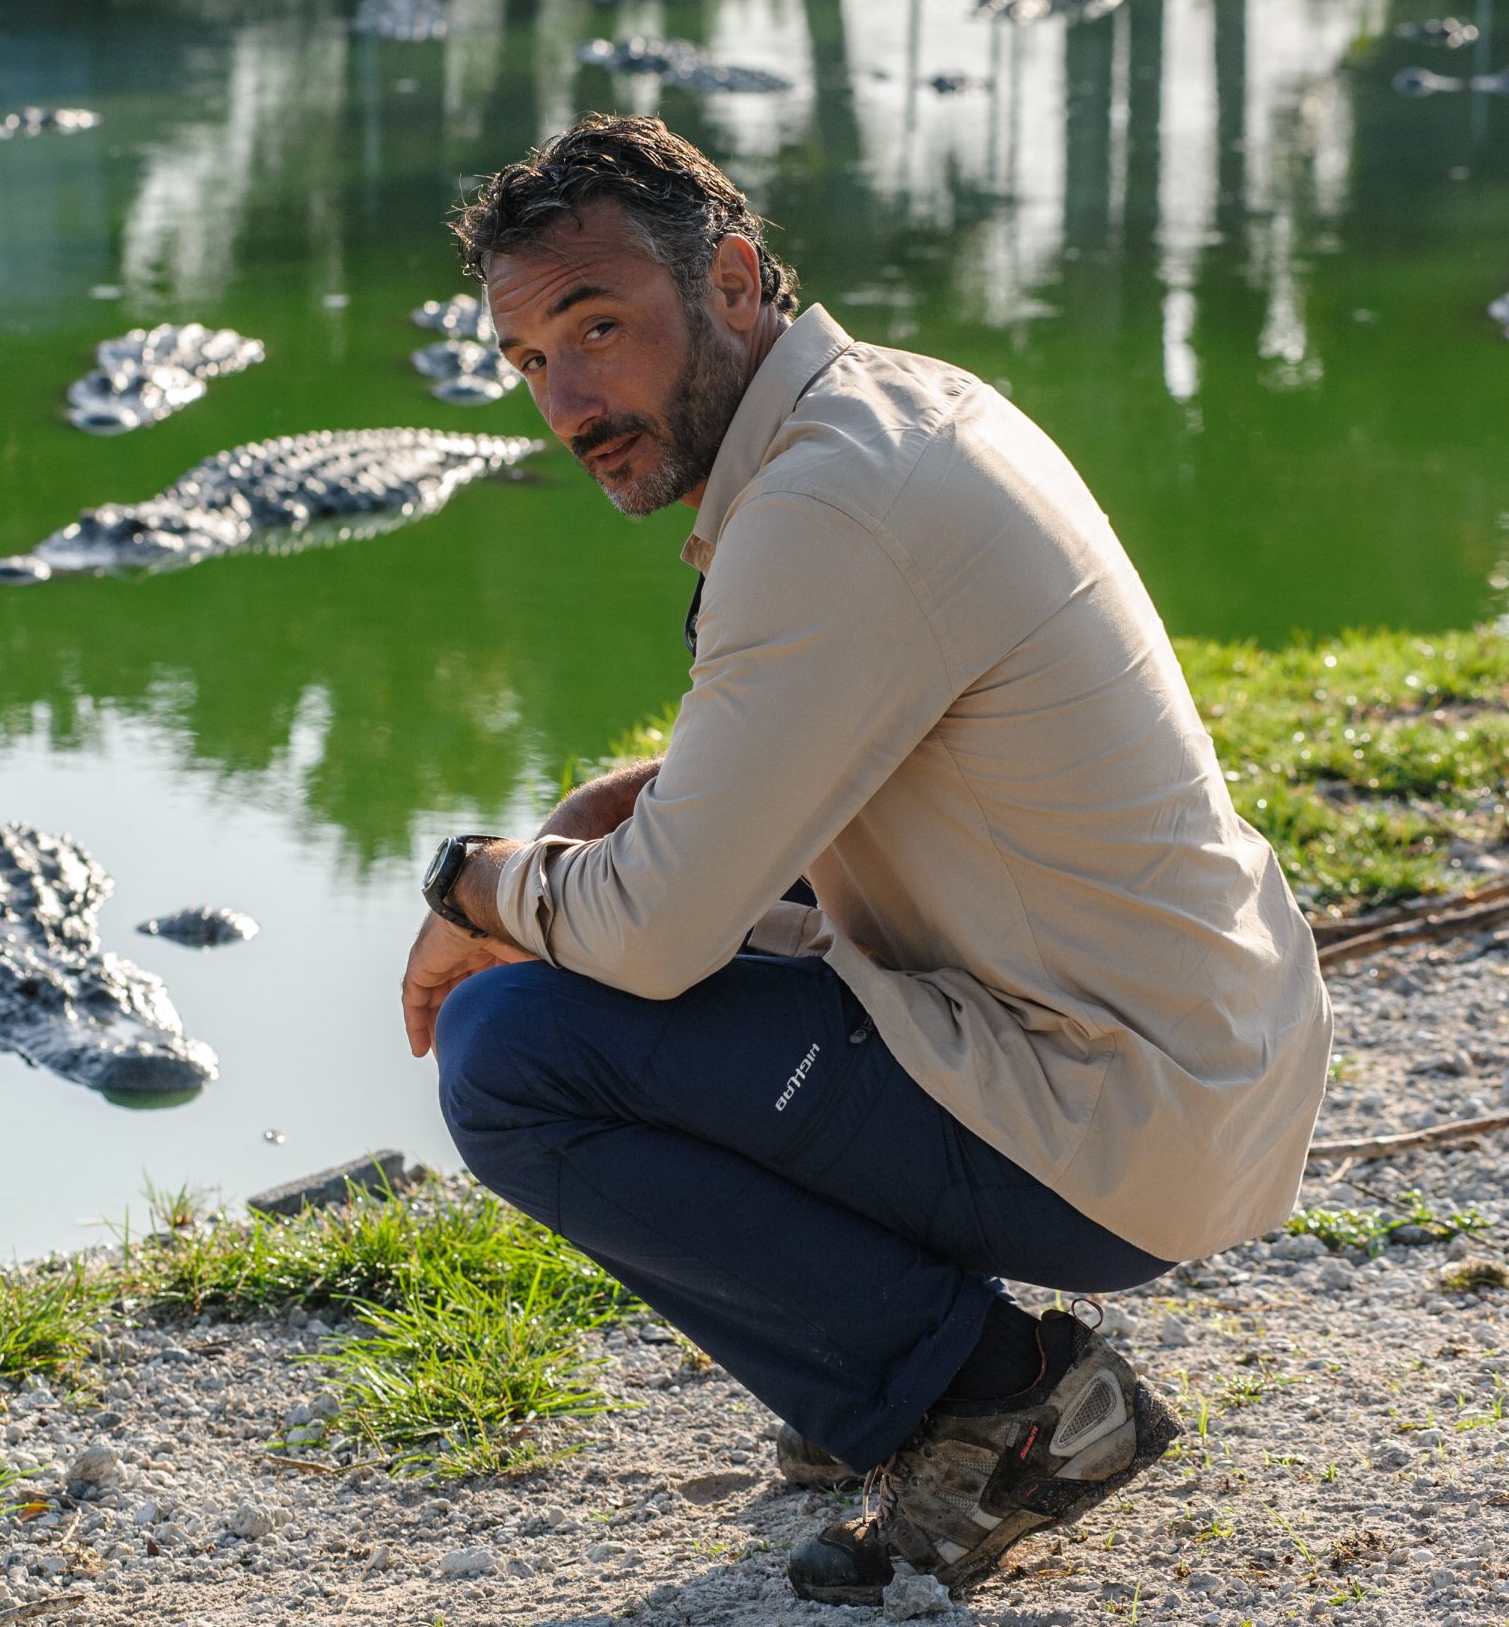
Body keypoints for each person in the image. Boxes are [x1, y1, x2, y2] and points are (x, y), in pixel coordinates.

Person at [399, 113, 1330, 1607]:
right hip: (1191, 1063)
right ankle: (891, 1380)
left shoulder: (831, 504)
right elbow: (785, 766)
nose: (570, 401)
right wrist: (588, 818)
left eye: (599, 326)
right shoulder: (884, 415)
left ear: (737, 279)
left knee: (518, 1046)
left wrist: (470, 886)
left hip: (1119, 1116)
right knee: (665, 949)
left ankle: (995, 1402)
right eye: (529, 362)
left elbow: (647, 939)